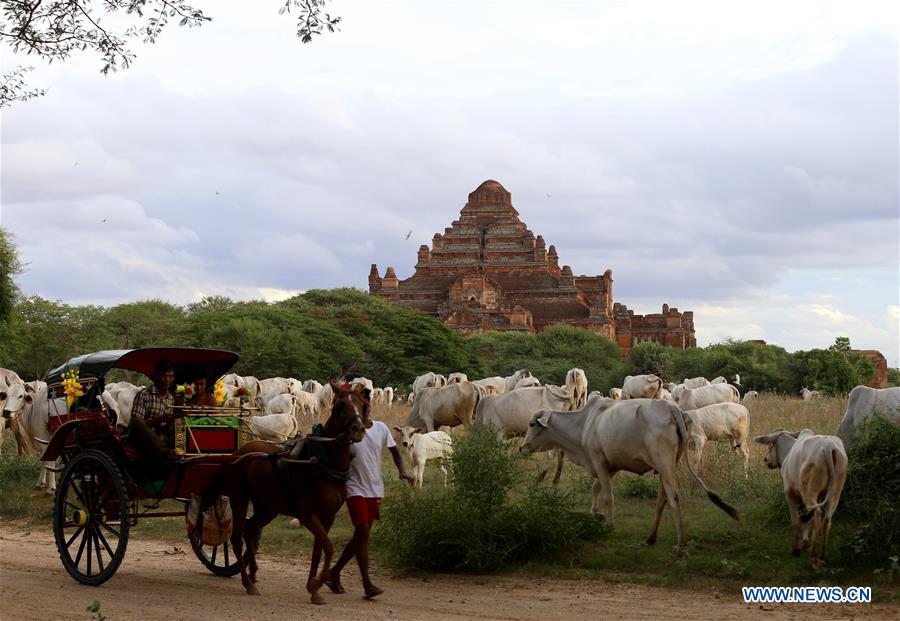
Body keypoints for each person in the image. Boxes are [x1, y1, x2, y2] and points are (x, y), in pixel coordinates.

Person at [325, 398, 413, 599]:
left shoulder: (381, 428)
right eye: (359, 409)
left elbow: (395, 452)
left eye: (366, 408)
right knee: (362, 532)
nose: (363, 413)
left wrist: (402, 471)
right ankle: (366, 584)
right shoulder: (349, 433)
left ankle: (335, 572)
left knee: (361, 537)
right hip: (355, 488)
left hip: (375, 489)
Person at [127, 359, 180, 463]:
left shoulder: (171, 399)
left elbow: (166, 427)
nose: (167, 380)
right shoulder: (144, 394)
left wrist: (170, 424)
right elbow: (136, 426)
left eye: (170, 376)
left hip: (162, 437)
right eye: (164, 376)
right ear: (156, 377)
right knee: (136, 421)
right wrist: (158, 420)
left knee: (184, 430)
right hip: (144, 439)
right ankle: (167, 453)